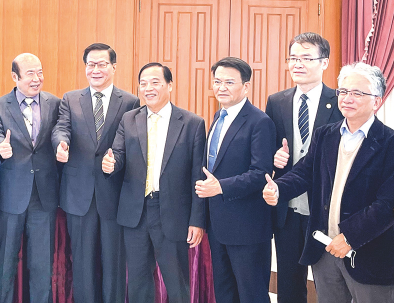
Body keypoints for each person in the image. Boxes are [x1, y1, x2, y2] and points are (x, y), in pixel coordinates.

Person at [264, 62, 394, 302]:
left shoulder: (389, 142)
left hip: (368, 253)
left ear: (376, 101)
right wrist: (279, 188)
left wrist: (350, 237)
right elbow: (304, 173)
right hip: (325, 250)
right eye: (343, 91)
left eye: (357, 93)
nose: (347, 98)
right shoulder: (325, 134)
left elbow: (388, 205)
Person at [102, 62, 206, 303]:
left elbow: (197, 176)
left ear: (170, 85)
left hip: (173, 212)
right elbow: (118, 154)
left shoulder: (192, 123)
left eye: (155, 82)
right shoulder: (129, 119)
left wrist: (197, 220)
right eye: (143, 83)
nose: (148, 88)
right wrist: (111, 163)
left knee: (177, 284)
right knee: (138, 284)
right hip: (135, 213)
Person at [52, 43, 139, 303]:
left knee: (114, 263)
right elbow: (61, 128)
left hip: (113, 192)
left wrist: (116, 161)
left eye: (102, 64)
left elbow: (131, 143)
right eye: (91, 64)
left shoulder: (130, 101)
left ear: (114, 67)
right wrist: (60, 143)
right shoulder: (70, 99)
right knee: (82, 263)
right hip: (78, 194)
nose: (96, 69)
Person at [265, 32, 343, 303]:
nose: (298, 64)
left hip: (325, 208)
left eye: (306, 58)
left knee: (330, 284)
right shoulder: (277, 101)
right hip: (288, 209)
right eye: (293, 58)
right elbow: (268, 147)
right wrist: (274, 157)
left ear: (324, 62)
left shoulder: (340, 100)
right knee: (289, 284)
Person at [195, 57, 275, 303]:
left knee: (251, 295)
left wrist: (221, 187)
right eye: (217, 81)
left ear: (246, 86)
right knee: (225, 293)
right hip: (218, 225)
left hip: (247, 227)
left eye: (229, 82)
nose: (221, 87)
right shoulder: (218, 117)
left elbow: (261, 174)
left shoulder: (260, 122)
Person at [0, 53, 61, 303]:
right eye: (30, 73)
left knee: (42, 266)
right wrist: (0, 147)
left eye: (40, 72)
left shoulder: (55, 103)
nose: (37, 78)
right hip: (11, 194)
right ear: (15, 76)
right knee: (5, 263)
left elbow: (60, 132)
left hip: (44, 195)